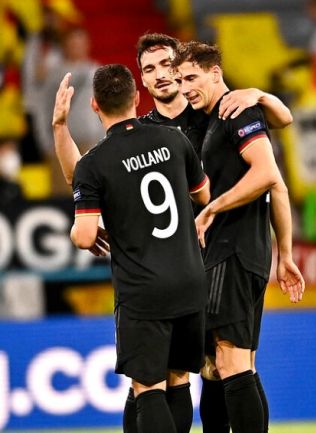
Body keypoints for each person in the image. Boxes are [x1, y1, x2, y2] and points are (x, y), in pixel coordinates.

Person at [52, 32, 296, 433]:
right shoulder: (150, 133)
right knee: (193, 372)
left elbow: (274, 169)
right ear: (141, 85)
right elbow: (85, 174)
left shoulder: (220, 110)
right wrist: (62, 131)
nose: (163, 76)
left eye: (168, 66)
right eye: (150, 69)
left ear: (183, 70)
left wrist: (259, 95)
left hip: (225, 252)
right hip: (186, 265)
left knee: (222, 366)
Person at [68, 63, 211, 432]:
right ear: (137, 97)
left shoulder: (93, 163)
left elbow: (85, 237)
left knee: (147, 388)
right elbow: (203, 194)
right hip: (190, 279)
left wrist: (80, 230)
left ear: (95, 106)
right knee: (179, 379)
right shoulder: (173, 140)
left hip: (144, 289)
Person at [172, 41, 304, 433]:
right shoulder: (212, 117)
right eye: (180, 80)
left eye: (191, 78)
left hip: (234, 249)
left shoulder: (236, 110)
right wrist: (285, 255)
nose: (185, 88)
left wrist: (212, 208)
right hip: (233, 251)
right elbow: (278, 184)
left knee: (230, 362)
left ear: (215, 73)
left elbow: (267, 174)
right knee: (221, 365)